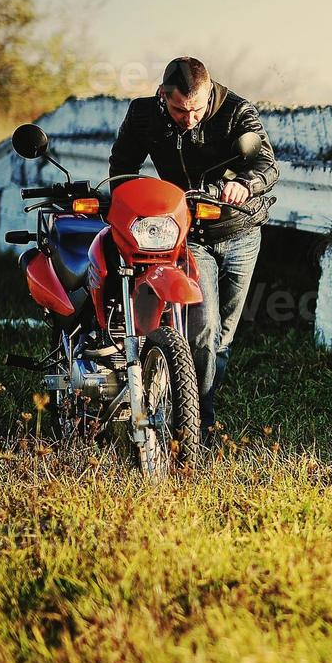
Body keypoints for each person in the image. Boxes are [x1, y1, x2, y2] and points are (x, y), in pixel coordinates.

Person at [107, 56, 279, 439]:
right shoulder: (143, 114)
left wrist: (245, 184)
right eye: (179, 110)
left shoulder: (236, 111)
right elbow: (122, 167)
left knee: (222, 339)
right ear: (164, 96)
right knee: (202, 328)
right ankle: (197, 426)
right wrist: (128, 203)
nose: (189, 118)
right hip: (190, 234)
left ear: (208, 92)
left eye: (196, 109)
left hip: (240, 230)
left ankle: (198, 409)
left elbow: (268, 165)